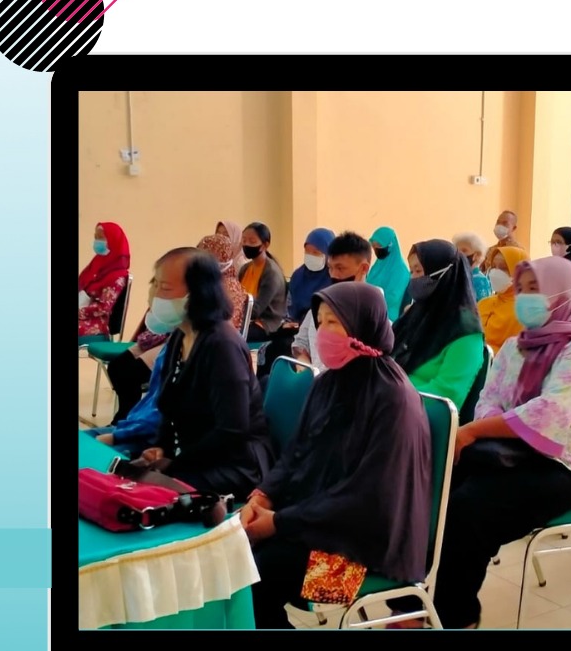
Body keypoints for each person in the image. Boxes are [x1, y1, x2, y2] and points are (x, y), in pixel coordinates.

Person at [241, 283, 432, 630]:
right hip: (321, 528)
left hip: (366, 556)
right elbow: (295, 453)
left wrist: (280, 522)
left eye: (334, 322)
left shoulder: (393, 399)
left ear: (363, 325)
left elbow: (368, 500)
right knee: (237, 557)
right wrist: (263, 495)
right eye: (321, 322)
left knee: (255, 575)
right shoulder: (329, 383)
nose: (323, 332)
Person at [433, 256, 571, 629]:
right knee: (434, 487)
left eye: (536, 289)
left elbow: (547, 414)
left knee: (469, 508)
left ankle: (457, 615)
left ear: (563, 294)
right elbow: (489, 398)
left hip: (564, 466)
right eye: (523, 289)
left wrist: (476, 432)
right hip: (509, 451)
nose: (526, 297)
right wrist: (486, 431)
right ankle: (415, 598)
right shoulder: (517, 346)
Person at [137, 249, 274, 498]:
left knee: (148, 493)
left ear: (197, 294)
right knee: (130, 478)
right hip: (196, 457)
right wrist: (162, 448)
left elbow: (231, 431)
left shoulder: (222, 346)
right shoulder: (180, 336)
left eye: (164, 288)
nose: (154, 295)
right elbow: (169, 405)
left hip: (236, 466)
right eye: (154, 284)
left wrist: (175, 464)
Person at [392, 240, 485, 412]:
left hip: (416, 416)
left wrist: (388, 396)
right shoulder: (415, 316)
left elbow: (446, 394)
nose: (413, 278)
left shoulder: (466, 333)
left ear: (446, 274)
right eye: (411, 271)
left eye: (419, 271)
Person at [256, 227, 335, 376]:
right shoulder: (298, 276)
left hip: (319, 332)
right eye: (307, 252)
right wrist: (287, 322)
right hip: (294, 329)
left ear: (328, 255)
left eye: (316, 253)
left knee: (284, 348)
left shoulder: (333, 279)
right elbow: (288, 308)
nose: (311, 256)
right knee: (270, 347)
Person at [293, 232, 372, 370]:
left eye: (340, 268)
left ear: (363, 268)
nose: (334, 275)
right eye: (330, 268)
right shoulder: (322, 304)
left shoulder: (372, 314)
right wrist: (304, 366)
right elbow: (301, 342)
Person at [104, 275, 171, 423]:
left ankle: (127, 419)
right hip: (158, 335)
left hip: (174, 340)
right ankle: (126, 414)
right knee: (116, 366)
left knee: (132, 373)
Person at [86, 346, 168, 457]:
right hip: (140, 426)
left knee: (93, 454)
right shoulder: (172, 347)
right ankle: (122, 417)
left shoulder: (183, 361)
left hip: (156, 437)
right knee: (116, 366)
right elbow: (151, 401)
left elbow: (163, 414)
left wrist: (117, 436)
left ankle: (122, 418)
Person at [79, 221, 130, 341]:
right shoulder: (96, 265)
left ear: (113, 241)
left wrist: (79, 312)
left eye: (101, 238)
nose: (97, 241)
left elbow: (103, 308)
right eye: (95, 237)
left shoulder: (117, 276)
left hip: (96, 323)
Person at [238, 222, 287, 343]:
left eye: (252, 241)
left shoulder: (271, 273)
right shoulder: (245, 269)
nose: (246, 244)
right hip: (245, 319)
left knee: (229, 335)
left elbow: (256, 310)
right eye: (244, 240)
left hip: (265, 324)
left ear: (265, 245)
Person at [478, 245, 530, 353]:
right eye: (493, 266)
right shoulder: (483, 303)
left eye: (503, 268)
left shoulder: (525, 312)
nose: (495, 272)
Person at [198, 233, 247, 331]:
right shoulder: (210, 281)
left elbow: (221, 323)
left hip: (219, 335)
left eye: (206, 256)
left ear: (222, 256)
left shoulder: (230, 288)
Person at [366, 226, 411, 321]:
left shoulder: (401, 271)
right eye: (374, 246)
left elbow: (393, 298)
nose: (376, 249)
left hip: (388, 319)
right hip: (369, 314)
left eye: (379, 245)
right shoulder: (377, 266)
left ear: (390, 245)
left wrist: (370, 298)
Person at [452, 231, 491, 302]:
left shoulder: (480, 280)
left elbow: (482, 305)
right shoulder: (456, 276)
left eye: (464, 250)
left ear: (477, 255)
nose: (459, 254)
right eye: (457, 250)